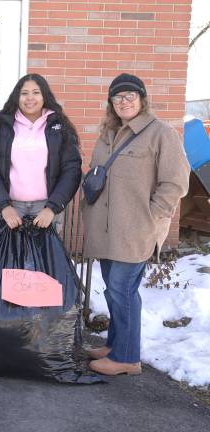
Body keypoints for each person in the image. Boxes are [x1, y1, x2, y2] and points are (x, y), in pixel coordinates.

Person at [83, 73, 189, 376]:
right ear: (111, 104)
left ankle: (127, 358)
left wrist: (153, 215)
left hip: (136, 229)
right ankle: (116, 345)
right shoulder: (107, 134)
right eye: (117, 97)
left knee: (122, 289)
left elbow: (176, 183)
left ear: (142, 99)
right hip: (105, 229)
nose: (124, 101)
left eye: (130, 95)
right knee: (114, 290)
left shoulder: (160, 134)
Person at [0, 73, 82, 232]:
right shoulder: (3, 126)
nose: (30, 98)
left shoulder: (59, 126)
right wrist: (4, 206)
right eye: (24, 93)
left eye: (36, 92)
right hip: (12, 208)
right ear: (17, 97)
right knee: (9, 257)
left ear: (44, 96)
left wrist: (52, 208)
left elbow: (71, 169)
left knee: (46, 257)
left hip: (47, 208)